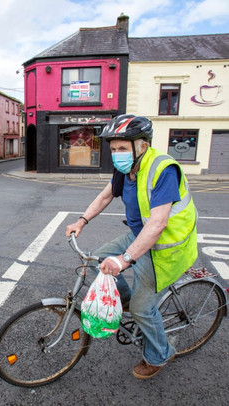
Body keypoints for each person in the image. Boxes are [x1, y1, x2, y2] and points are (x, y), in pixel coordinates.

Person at [66, 114, 198, 380]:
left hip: (164, 247)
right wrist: (82, 220)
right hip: (140, 236)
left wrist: (124, 260)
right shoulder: (126, 169)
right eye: (113, 149)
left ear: (142, 146)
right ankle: (125, 300)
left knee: (142, 309)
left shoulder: (163, 169)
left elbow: (158, 223)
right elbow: (106, 195)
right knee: (96, 259)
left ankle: (160, 354)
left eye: (123, 148)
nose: (117, 154)